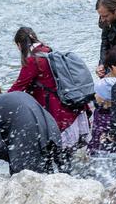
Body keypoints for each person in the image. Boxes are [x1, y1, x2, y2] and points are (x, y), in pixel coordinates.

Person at [9, 27, 89, 169]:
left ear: (19, 45)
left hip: (54, 111)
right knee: (65, 156)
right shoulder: (48, 51)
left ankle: (57, 179)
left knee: (53, 153)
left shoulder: (33, 61)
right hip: (68, 106)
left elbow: (18, 87)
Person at [0, 81, 61, 175]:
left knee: (25, 180)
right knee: (53, 176)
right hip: (52, 131)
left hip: (28, 138)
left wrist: (12, 159)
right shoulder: (19, 94)